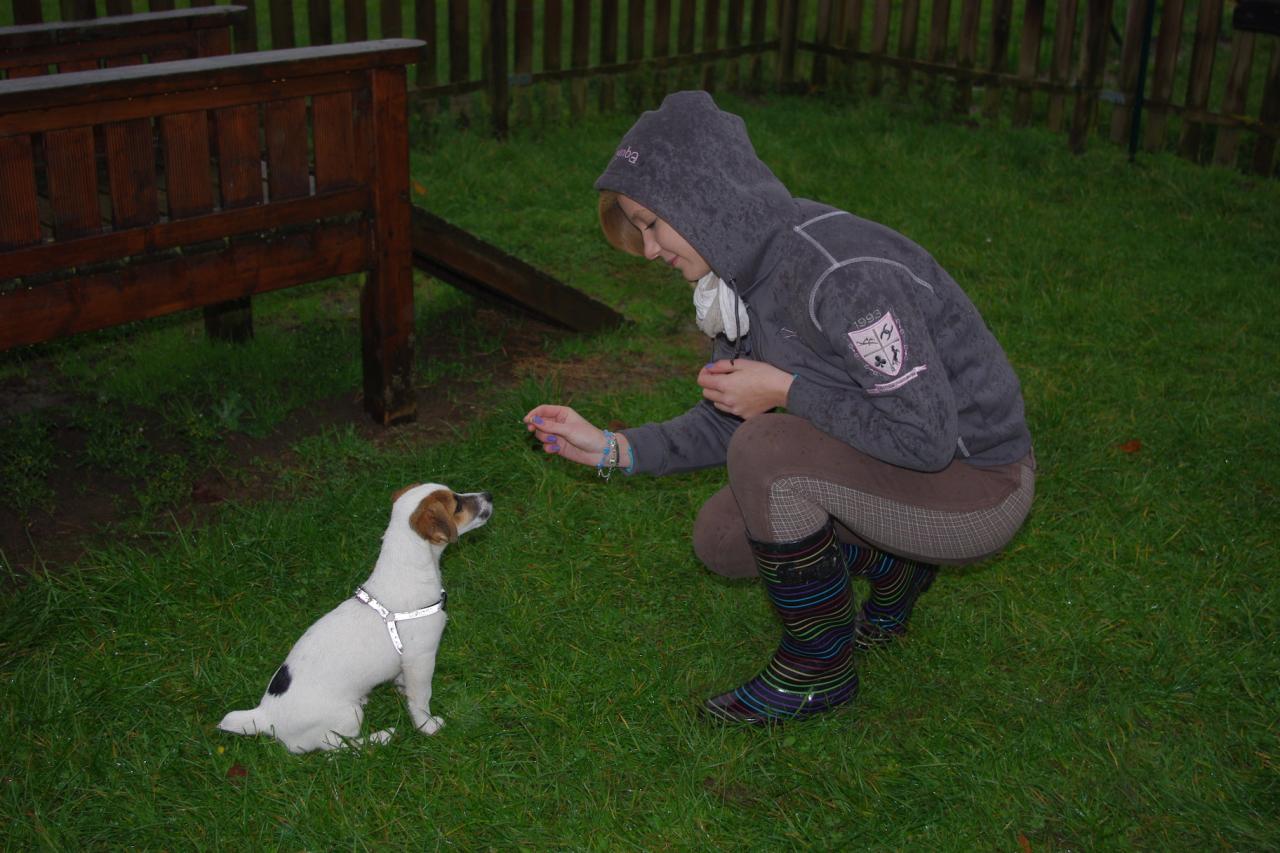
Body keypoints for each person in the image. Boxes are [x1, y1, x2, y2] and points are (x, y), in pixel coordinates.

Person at [523, 91, 1035, 725]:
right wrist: (613, 448)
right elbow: (729, 412)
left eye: (653, 222)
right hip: (904, 465)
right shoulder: (738, 275)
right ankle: (896, 568)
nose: (649, 250)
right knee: (723, 537)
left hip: (979, 486)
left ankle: (819, 670)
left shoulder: (839, 276)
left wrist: (787, 392)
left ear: (704, 198)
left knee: (766, 453)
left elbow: (928, 439)